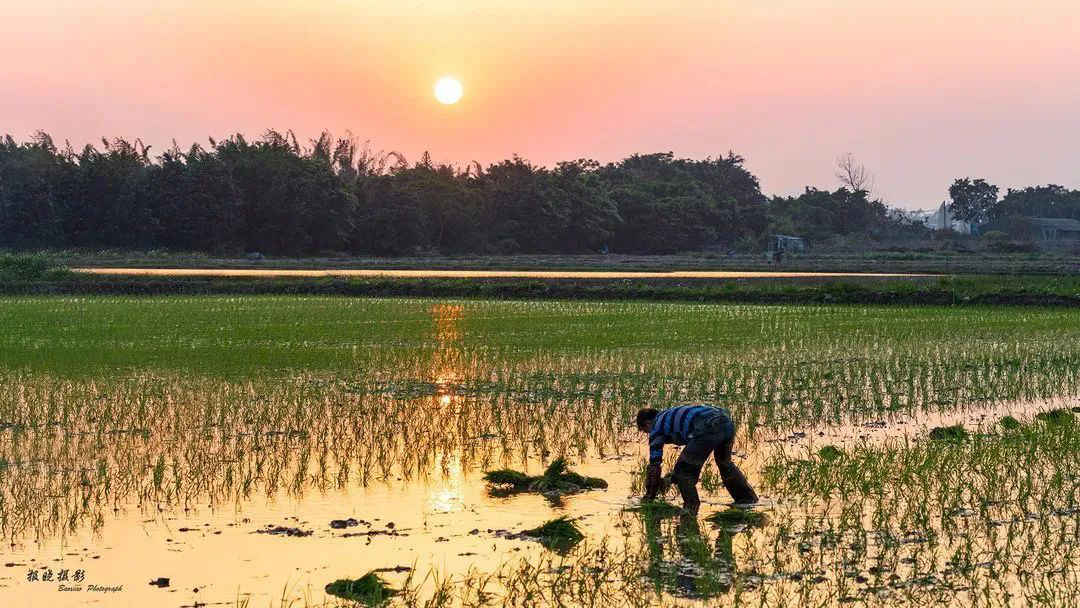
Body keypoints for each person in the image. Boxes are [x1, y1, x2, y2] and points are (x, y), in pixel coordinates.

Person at [636, 404, 757, 510]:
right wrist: (671, 478)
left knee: (684, 472)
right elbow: (692, 454)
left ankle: (691, 508)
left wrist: (649, 496)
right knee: (724, 463)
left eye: (645, 431)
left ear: (648, 423)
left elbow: (654, 465)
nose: (649, 435)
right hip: (725, 423)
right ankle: (747, 500)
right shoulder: (670, 416)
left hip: (707, 426)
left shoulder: (656, 427)